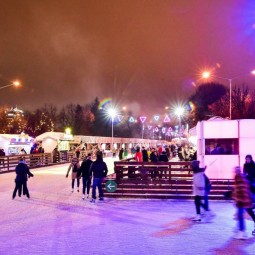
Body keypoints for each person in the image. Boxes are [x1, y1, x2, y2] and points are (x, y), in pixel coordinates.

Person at [232, 166, 255, 239]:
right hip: (244, 200)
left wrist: (239, 199)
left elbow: (242, 191)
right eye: (235, 171)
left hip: (243, 201)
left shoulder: (240, 179)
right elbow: (237, 190)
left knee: (241, 215)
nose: (235, 172)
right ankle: (242, 231)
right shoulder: (239, 178)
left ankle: (242, 232)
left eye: (236, 171)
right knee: (240, 215)